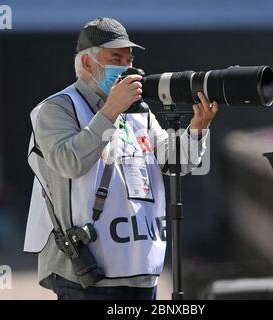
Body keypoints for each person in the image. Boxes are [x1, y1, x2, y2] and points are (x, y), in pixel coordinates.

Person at [23, 17, 218, 300]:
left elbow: (174, 162)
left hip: (139, 268)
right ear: (87, 64)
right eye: (116, 58)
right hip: (87, 274)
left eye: (129, 59)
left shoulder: (138, 111)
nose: (127, 68)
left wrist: (198, 129)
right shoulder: (57, 108)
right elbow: (69, 162)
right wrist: (110, 111)